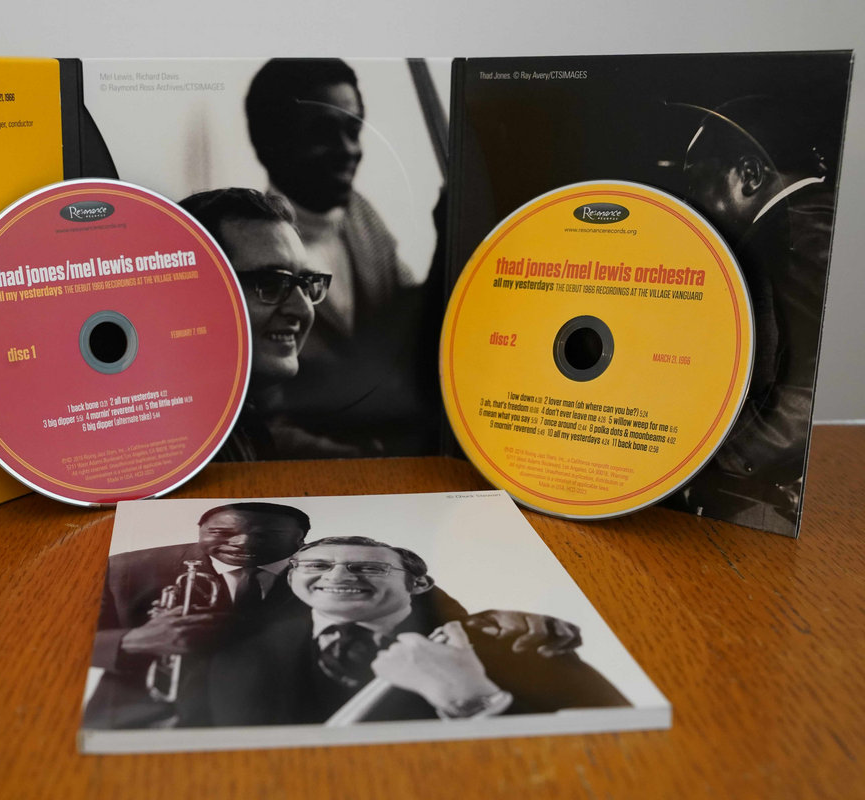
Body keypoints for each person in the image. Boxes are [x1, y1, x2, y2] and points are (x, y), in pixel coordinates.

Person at [84, 504, 590, 729]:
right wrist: (130, 642)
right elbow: (58, 640)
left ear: (297, 543)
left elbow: (440, 614)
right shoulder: (129, 567)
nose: (242, 544)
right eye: (222, 533)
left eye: (268, 538)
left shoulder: (320, 570)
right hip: (141, 717)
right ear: (199, 532)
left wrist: (502, 618)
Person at [204, 536, 629, 726]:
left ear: (420, 583)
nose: (337, 576)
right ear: (293, 578)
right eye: (317, 565)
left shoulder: (511, 640)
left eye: (369, 567)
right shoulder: (236, 659)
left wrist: (471, 700)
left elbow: (614, 734)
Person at [244, 59, 440, 458]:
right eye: (322, 132)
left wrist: (451, 247)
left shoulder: (361, 214)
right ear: (268, 145)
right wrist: (362, 465)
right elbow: (263, 427)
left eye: (354, 130)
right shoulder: (244, 252)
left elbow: (402, 318)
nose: (349, 150)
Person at [665, 95, 839, 532]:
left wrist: (715, 461)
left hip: (763, 501)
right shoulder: (810, 221)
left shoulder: (797, 233)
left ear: (750, 174)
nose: (687, 203)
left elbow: (810, 385)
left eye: (695, 183)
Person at [179, 188, 330, 461]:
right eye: (270, 284)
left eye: (306, 284)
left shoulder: (232, 423)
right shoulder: (175, 446)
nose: (302, 309)